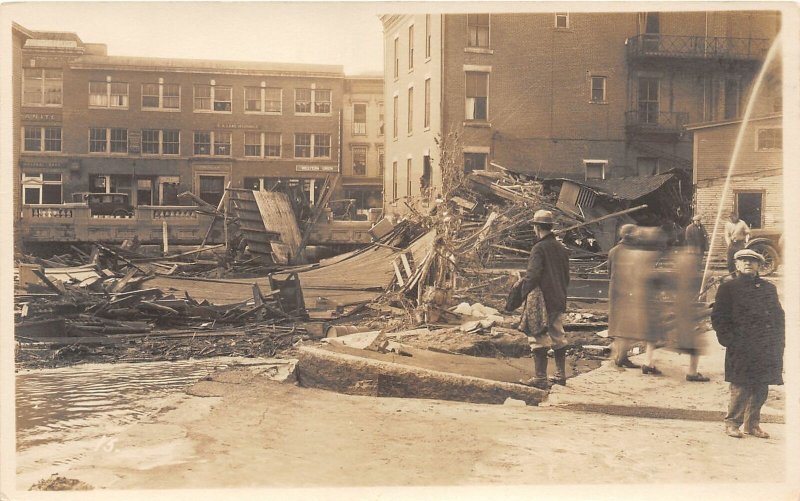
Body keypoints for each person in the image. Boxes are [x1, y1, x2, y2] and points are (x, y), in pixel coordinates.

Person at [711, 249, 784, 439]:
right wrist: (729, 340)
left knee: (761, 386)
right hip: (741, 345)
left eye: (752, 261)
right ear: (736, 264)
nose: (748, 264)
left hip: (765, 345)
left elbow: (778, 316)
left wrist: (778, 342)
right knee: (740, 385)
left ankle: (752, 425)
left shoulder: (768, 288)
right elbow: (719, 317)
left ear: (759, 265)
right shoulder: (729, 288)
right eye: (743, 260)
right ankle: (732, 423)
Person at [518, 209, 570, 390]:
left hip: (542, 300)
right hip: (558, 297)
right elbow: (566, 276)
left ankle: (540, 377)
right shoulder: (562, 249)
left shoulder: (539, 248)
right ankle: (560, 375)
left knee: (537, 335)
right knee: (558, 335)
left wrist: (523, 294)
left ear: (537, 227)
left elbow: (532, 275)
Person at [608, 224, 640, 369]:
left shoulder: (613, 251)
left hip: (616, 292)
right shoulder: (634, 253)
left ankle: (621, 356)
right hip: (629, 292)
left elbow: (610, 273)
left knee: (619, 325)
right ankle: (621, 357)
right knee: (628, 326)